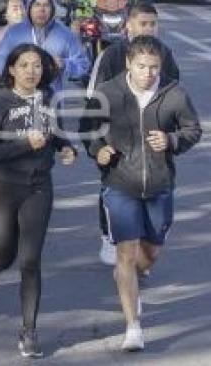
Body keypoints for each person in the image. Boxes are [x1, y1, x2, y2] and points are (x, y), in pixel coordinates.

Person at [82, 36, 200, 352]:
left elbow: (193, 130)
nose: (148, 73)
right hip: (119, 183)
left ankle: (133, 276)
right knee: (125, 252)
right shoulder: (107, 93)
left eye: (154, 67)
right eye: (142, 66)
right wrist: (98, 150)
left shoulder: (174, 93)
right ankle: (133, 325)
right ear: (128, 64)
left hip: (160, 185)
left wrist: (172, 140)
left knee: (150, 254)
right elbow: (87, 129)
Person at [0, 43, 77, 358]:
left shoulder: (48, 99)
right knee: (5, 253)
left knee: (30, 260)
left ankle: (29, 330)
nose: (32, 71)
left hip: (38, 187)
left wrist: (65, 147)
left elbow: (55, 132)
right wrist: (25, 144)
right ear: (11, 69)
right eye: (25, 65)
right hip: (4, 187)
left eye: (37, 66)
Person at [85, 3, 180, 266]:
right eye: (143, 23)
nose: (148, 28)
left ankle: (148, 241)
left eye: (152, 24)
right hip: (117, 138)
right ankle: (109, 235)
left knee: (156, 195)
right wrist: (98, 145)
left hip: (152, 138)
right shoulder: (112, 55)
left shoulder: (165, 54)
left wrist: (170, 134)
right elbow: (94, 100)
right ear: (128, 25)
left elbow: (175, 96)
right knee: (112, 185)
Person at [0, 0, 90, 93]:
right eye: (37, 5)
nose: (42, 10)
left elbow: (83, 65)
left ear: (52, 9)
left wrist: (64, 64)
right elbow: (2, 61)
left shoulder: (65, 34)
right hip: (19, 96)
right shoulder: (15, 33)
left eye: (46, 5)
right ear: (29, 8)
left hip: (51, 99)